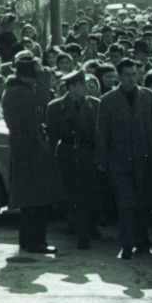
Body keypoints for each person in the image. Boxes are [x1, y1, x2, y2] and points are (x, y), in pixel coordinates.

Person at [97, 58, 152, 259]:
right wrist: (101, 160)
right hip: (120, 160)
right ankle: (127, 244)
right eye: (126, 75)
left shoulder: (148, 97)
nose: (131, 79)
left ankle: (143, 241)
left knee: (143, 203)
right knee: (126, 203)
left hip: (146, 158)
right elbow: (102, 132)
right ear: (119, 77)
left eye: (134, 74)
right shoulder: (108, 100)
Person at [2, 55, 63, 254]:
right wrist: (44, 73)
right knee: (37, 199)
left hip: (27, 148)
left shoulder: (16, 90)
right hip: (30, 150)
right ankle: (36, 242)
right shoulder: (19, 92)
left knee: (31, 201)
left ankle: (28, 240)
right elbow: (44, 98)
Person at [46, 69, 102, 249]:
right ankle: (82, 234)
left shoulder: (95, 105)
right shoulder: (55, 107)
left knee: (92, 193)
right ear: (70, 87)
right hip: (68, 153)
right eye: (81, 84)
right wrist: (53, 159)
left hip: (89, 152)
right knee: (75, 194)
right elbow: (52, 135)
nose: (86, 87)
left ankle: (89, 226)